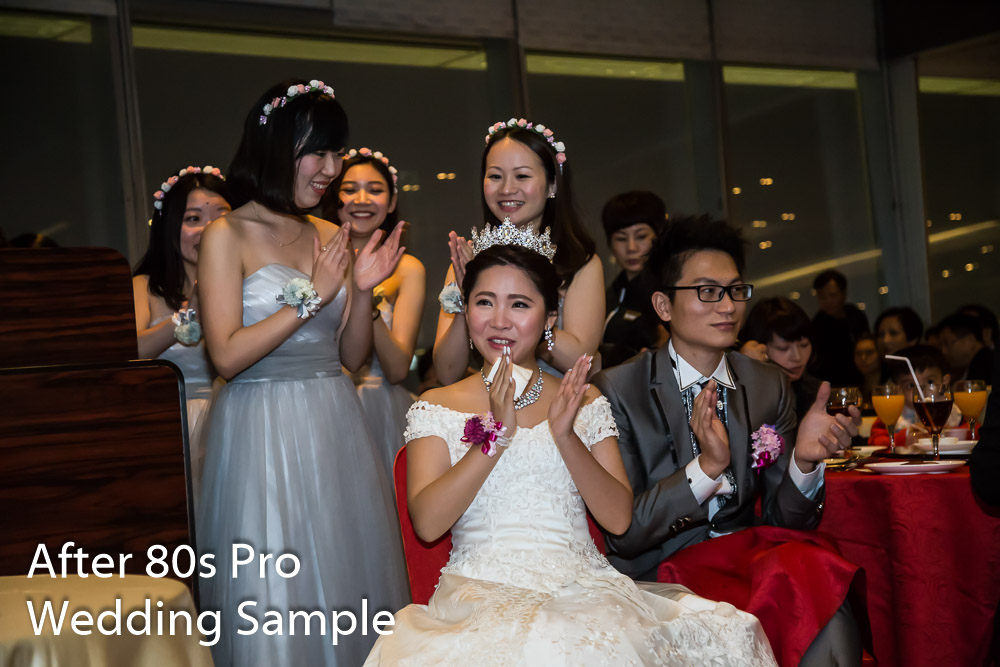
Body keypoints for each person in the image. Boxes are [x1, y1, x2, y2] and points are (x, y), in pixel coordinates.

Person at [366, 226, 777, 665]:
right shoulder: (436, 405)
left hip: (584, 589)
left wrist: (564, 435)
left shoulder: (583, 399)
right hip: (480, 594)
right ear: (466, 311)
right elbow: (428, 524)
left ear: (548, 319)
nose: (499, 320)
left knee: (722, 632)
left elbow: (618, 518)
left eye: (519, 304)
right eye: (484, 302)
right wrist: (496, 437)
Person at [196, 79, 410, 666]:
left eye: (336, 153)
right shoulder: (227, 235)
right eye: (319, 153)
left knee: (344, 568)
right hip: (259, 425)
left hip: (333, 419)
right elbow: (226, 355)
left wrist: (361, 292)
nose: (332, 169)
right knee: (275, 580)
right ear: (277, 147)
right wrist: (313, 296)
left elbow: (352, 357)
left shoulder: (329, 234)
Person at [593, 216, 863, 665]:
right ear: (663, 305)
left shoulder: (767, 384)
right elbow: (626, 534)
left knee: (820, 576)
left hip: (746, 558)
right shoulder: (619, 390)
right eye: (707, 291)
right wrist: (705, 470)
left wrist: (804, 462)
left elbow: (785, 521)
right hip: (662, 576)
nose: (728, 306)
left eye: (736, 291)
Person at [433, 118, 604, 384]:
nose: (507, 189)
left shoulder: (579, 262)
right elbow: (447, 372)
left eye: (522, 176)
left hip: (556, 402)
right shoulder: (470, 260)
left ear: (552, 185)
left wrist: (530, 317)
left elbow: (582, 360)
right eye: (495, 176)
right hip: (487, 402)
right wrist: (464, 299)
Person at [132, 165, 230, 504]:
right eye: (193, 219)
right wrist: (189, 315)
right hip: (168, 428)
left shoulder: (249, 289)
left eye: (221, 216)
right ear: (170, 229)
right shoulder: (145, 287)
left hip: (232, 423)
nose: (210, 229)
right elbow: (132, 351)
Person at [330, 147, 424, 477]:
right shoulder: (317, 261)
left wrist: (365, 299)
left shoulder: (408, 269)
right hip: (326, 402)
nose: (362, 200)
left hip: (381, 407)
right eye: (349, 189)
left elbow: (398, 369)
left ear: (392, 201)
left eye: (375, 190)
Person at [599, 190, 669, 368]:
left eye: (641, 236)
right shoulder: (608, 294)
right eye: (621, 238)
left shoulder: (670, 292)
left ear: (659, 236)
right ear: (610, 243)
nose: (631, 247)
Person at [739, 296, 823, 423]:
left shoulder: (815, 391)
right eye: (783, 348)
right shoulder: (740, 394)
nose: (797, 357)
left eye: (804, 345)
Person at [867, 344, 962, 449]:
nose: (921, 391)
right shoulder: (892, 414)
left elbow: (973, 432)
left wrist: (951, 432)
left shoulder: (955, 412)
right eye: (911, 385)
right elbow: (874, 441)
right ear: (898, 389)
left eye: (930, 382)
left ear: (945, 382)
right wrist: (905, 436)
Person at [809, 269, 869, 386]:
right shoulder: (817, 326)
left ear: (844, 293)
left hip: (862, 378)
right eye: (822, 297)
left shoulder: (855, 314)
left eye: (832, 295)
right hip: (833, 384)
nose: (828, 301)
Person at [938, 312, 994, 382]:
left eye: (947, 344)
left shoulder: (986, 365)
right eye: (940, 346)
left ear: (969, 340)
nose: (943, 351)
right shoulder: (974, 365)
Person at [852, 333, 880, 412]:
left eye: (869, 352)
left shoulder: (891, 387)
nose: (863, 358)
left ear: (880, 354)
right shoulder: (853, 390)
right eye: (858, 354)